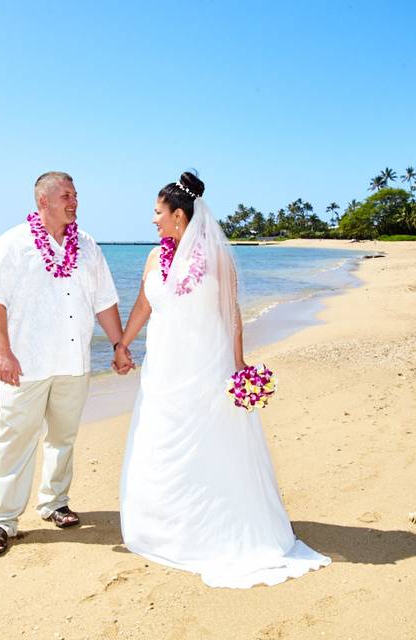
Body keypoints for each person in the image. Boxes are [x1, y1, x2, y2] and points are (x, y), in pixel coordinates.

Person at [113, 171, 330, 588]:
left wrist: (238, 369)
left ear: (179, 215)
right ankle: (162, 529)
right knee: (158, 446)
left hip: (204, 371)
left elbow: (231, 316)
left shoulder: (216, 257)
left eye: (158, 213)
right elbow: (145, 303)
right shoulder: (154, 257)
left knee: (208, 449)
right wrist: (123, 343)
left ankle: (211, 532)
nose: (153, 220)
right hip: (162, 372)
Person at [0, 171, 125, 556]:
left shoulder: (87, 245)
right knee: (14, 440)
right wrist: (2, 351)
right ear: (43, 200)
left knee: (63, 437)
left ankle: (54, 502)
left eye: (75, 195)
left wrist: (119, 344)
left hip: (74, 361)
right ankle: (3, 520)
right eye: (66, 196)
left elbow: (104, 300)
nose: (74, 202)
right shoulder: (11, 244)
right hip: (26, 363)